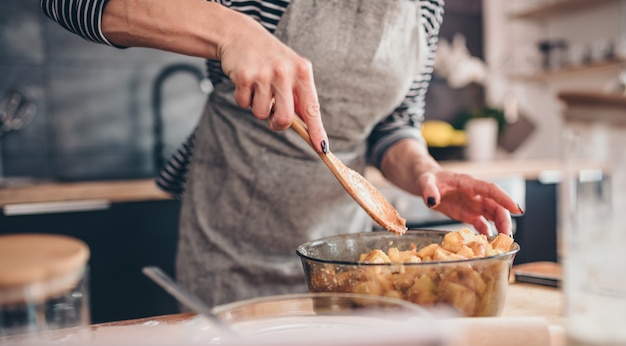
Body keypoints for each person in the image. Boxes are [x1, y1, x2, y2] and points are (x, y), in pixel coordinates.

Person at [41, 0, 523, 307]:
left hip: (346, 255)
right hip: (231, 239)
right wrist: (229, 29)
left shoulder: (426, 5)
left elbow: (392, 123)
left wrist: (425, 170)